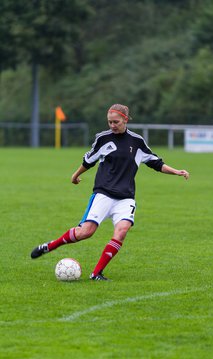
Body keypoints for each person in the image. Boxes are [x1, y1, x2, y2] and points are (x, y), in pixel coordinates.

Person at [31, 104, 189, 280]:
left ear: (125, 120)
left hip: (126, 198)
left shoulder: (137, 142)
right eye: (109, 122)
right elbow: (88, 160)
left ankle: (96, 273)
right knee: (86, 232)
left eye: (116, 122)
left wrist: (176, 171)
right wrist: (75, 176)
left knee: (121, 231)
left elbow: (156, 163)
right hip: (103, 194)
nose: (112, 125)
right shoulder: (103, 138)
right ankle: (50, 246)